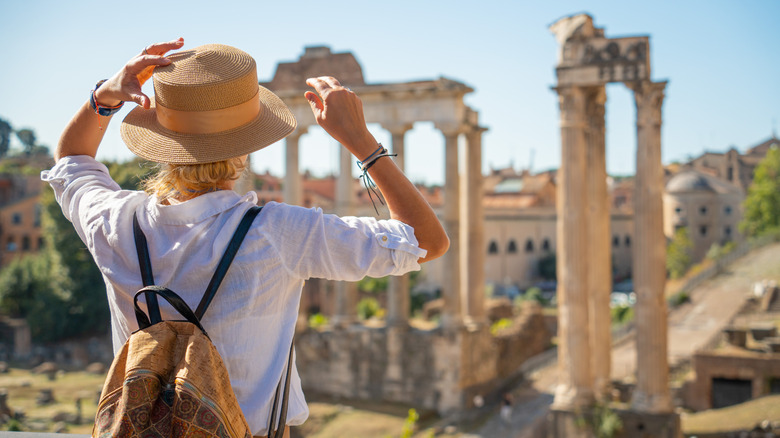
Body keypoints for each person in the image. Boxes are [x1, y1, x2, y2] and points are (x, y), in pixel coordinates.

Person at [42, 38, 448, 437]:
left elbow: (72, 160)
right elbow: (426, 241)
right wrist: (362, 142)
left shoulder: (113, 222)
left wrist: (105, 96)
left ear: (163, 142)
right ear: (246, 148)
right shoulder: (280, 233)